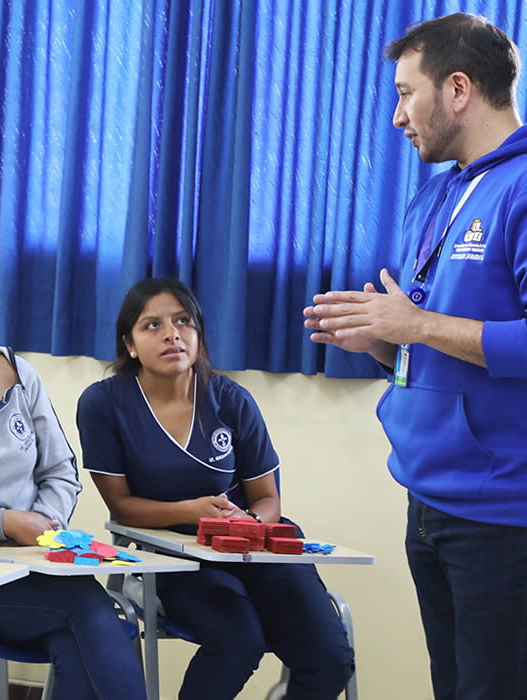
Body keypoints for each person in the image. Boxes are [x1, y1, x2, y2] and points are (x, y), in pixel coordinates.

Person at [304, 12, 527, 700]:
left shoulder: (521, 187)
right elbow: (424, 339)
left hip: (502, 516)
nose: (399, 115)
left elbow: (433, 324)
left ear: (458, 89)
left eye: (407, 93)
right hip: (428, 498)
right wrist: (382, 341)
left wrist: (419, 323)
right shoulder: (435, 194)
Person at [76, 277, 354, 700]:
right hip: (175, 560)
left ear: (198, 333)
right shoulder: (103, 403)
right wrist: (192, 513)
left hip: (252, 550)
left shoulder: (231, 399)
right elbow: (122, 507)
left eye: (183, 321)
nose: (171, 333)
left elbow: (267, 498)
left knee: (330, 659)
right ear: (129, 344)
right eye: (152, 325)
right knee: (238, 642)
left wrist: (250, 526)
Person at [0, 241, 147, 700]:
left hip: (38, 569)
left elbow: (61, 471)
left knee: (87, 634)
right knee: (90, 617)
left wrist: (43, 527)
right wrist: (3, 523)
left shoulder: (20, 373)